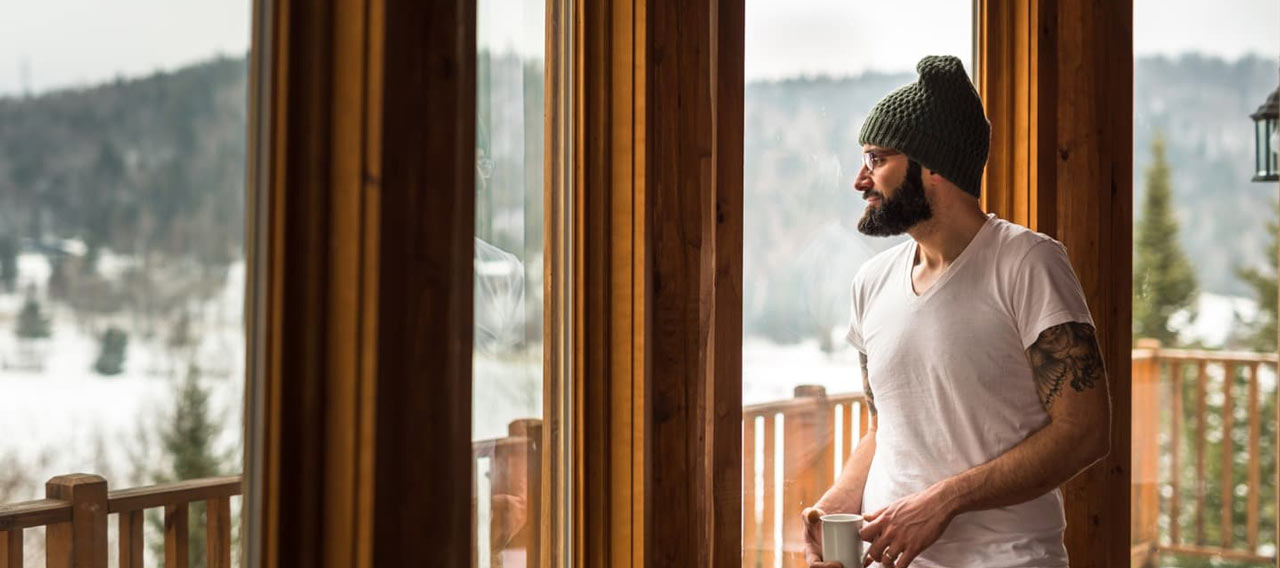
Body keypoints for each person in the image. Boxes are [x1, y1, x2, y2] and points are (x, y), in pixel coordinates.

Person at [800, 55, 1112, 568]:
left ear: (934, 164)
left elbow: (1085, 430)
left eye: (877, 159)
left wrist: (944, 501)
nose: (861, 180)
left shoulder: (1028, 263)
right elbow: (885, 428)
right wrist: (839, 502)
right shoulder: (871, 284)